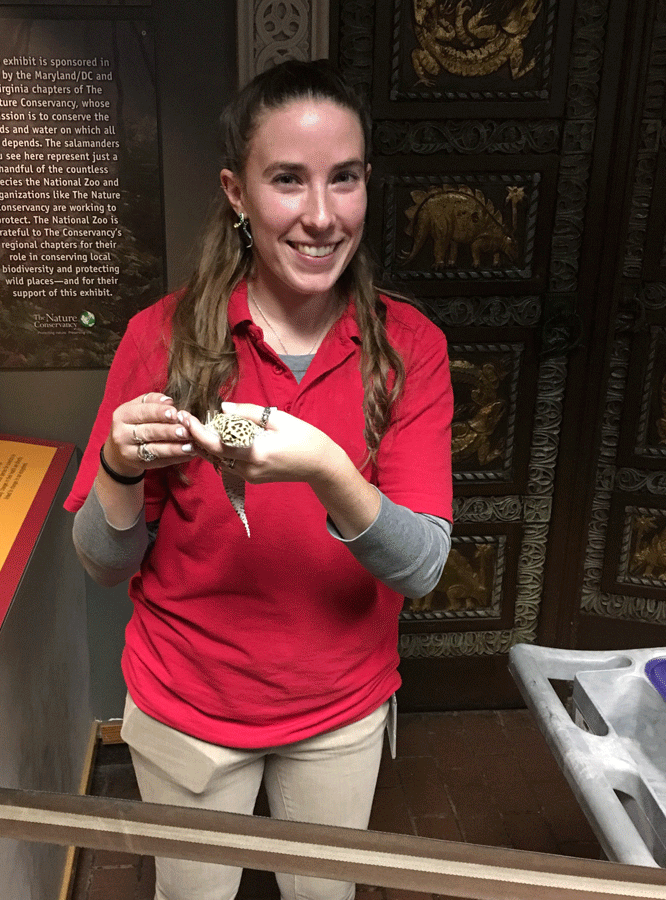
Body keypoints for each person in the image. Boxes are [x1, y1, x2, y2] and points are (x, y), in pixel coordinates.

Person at [64, 59, 453, 900]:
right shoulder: (159, 338)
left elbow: (420, 566)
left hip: (339, 709)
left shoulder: (409, 346)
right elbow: (103, 561)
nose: (321, 216)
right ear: (237, 192)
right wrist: (118, 466)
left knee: (324, 895)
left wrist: (322, 467)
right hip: (187, 705)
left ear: (366, 185)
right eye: (288, 180)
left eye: (343, 179)